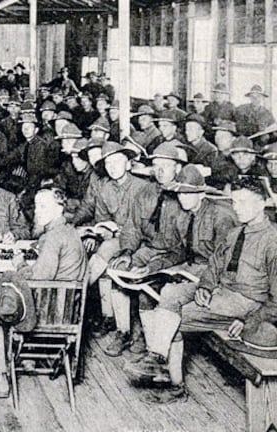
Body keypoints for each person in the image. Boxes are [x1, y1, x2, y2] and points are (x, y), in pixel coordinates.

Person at [134, 177, 275, 403]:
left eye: (244, 202)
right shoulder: (235, 233)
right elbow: (215, 265)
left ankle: (172, 381)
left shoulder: (273, 241)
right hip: (221, 291)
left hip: (246, 300)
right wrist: (206, 285)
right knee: (169, 292)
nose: (237, 208)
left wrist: (251, 319)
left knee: (176, 319)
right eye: (234, 202)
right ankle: (157, 358)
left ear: (262, 204)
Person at [124, 165, 238, 396]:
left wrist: (202, 281)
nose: (183, 198)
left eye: (188, 193)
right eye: (180, 193)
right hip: (192, 268)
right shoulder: (184, 215)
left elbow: (227, 263)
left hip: (217, 278)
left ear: (201, 193)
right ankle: (158, 362)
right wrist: (152, 267)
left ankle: (156, 359)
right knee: (150, 288)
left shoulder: (222, 217)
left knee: (169, 296)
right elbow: (177, 251)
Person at [0, 188, 87, 396]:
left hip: (44, 314)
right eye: (37, 206)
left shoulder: (53, 239)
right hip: (66, 315)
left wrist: (20, 264)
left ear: (60, 208)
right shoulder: (69, 232)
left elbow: (39, 280)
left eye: (43, 207)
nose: (37, 212)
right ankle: (27, 357)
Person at [105, 142, 191, 356]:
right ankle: (123, 331)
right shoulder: (145, 193)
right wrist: (126, 251)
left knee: (146, 289)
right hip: (149, 248)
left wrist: (154, 265)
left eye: (166, 165)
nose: (160, 171)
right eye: (156, 165)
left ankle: (146, 335)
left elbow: (184, 248)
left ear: (177, 168)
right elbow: (133, 228)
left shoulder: (184, 197)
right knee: (119, 271)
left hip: (175, 257)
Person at [85, 141, 154, 337]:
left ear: (128, 164)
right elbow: (101, 218)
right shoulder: (105, 188)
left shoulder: (144, 188)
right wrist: (105, 230)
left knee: (107, 252)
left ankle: (78, 293)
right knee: (106, 259)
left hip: (141, 242)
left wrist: (118, 234)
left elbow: (147, 227)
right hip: (117, 239)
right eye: (108, 164)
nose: (112, 167)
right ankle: (108, 318)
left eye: (117, 161)